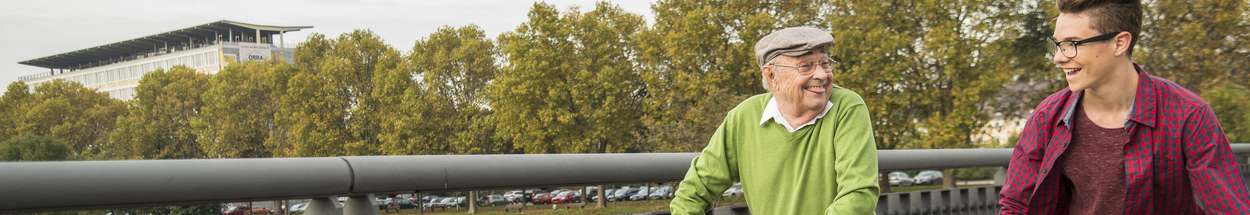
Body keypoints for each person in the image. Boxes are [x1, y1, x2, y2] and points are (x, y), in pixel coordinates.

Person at [999, 0, 1250, 214]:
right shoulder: (1048, 115)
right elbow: (1016, 204)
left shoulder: (1188, 114)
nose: (1059, 57)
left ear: (1119, 43)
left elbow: (1229, 206)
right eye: (1057, 44)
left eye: (1073, 44)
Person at [668, 26, 879, 214]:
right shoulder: (744, 117)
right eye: (806, 66)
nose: (822, 75)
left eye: (824, 63)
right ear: (771, 76)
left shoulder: (848, 107)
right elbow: (694, 192)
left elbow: (858, 195)